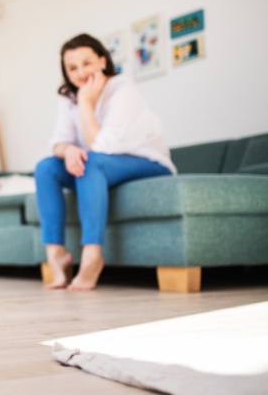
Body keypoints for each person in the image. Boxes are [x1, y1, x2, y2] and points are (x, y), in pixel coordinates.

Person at [35, 33, 176, 291]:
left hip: (146, 161)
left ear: (102, 60)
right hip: (99, 164)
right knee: (46, 167)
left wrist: (86, 103)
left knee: (91, 161)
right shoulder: (68, 96)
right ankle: (56, 255)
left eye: (87, 63)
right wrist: (67, 150)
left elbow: (101, 146)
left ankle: (92, 256)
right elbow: (58, 141)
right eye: (72, 68)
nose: (80, 72)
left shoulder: (122, 89)